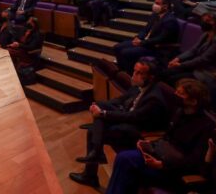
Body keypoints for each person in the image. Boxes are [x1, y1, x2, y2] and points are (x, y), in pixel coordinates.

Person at [69, 58, 169, 187]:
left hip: (138, 131)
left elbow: (133, 117)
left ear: (151, 77)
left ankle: (91, 172)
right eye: (134, 71)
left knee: (94, 129)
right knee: (100, 107)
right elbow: (121, 99)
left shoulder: (154, 98)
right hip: (127, 119)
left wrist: (103, 113)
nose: (134, 75)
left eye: (139, 73)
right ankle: (96, 157)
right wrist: (99, 107)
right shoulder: (139, 87)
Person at [105, 79, 215, 194]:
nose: (175, 95)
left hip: (173, 170)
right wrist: (150, 145)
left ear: (193, 101)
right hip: (159, 155)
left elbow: (194, 161)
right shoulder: (180, 112)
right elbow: (168, 137)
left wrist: (162, 165)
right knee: (123, 158)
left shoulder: (206, 127)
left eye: (180, 94)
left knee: (126, 160)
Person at [114, 0, 180, 72]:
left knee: (125, 53)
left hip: (156, 48)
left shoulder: (170, 20)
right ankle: (122, 71)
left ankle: (130, 74)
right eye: (155, 3)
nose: (154, 5)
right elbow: (145, 29)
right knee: (117, 47)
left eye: (157, 3)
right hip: (145, 42)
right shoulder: (154, 15)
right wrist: (138, 37)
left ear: (165, 6)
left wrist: (141, 42)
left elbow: (160, 39)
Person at [165, 13, 216, 85]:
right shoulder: (206, 34)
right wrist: (177, 59)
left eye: (208, 20)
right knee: (165, 73)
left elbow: (203, 60)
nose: (204, 22)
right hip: (195, 67)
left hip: (206, 72)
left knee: (171, 79)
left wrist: (180, 65)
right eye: (203, 20)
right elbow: (193, 50)